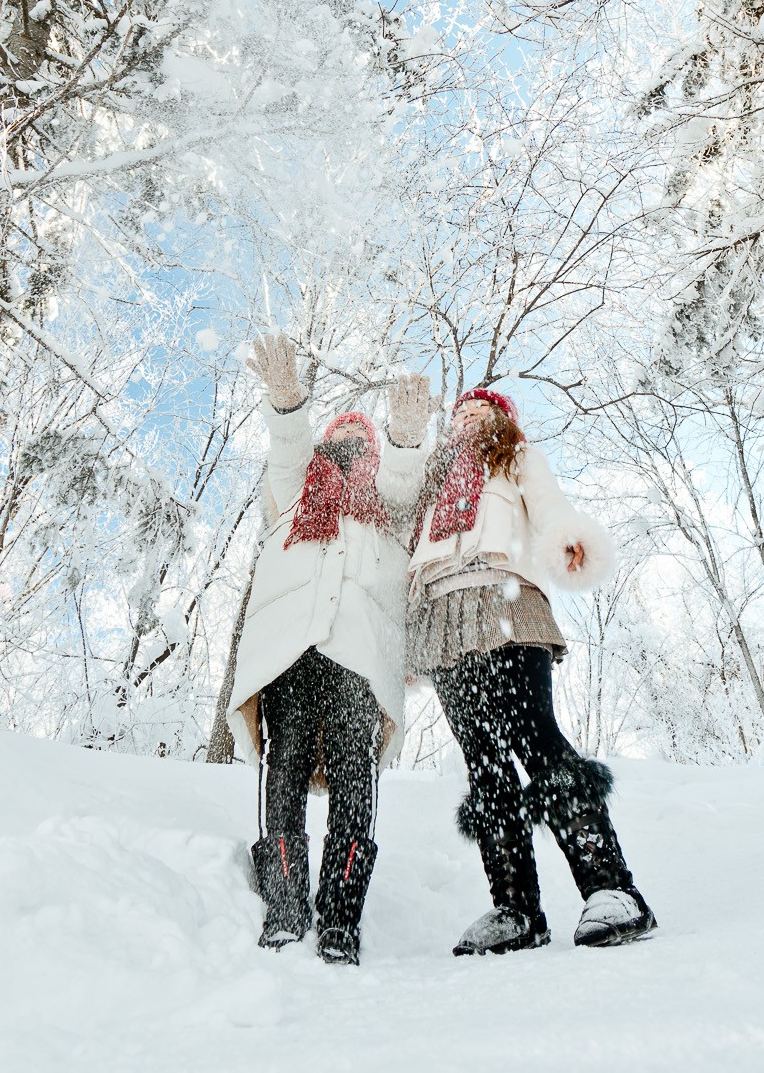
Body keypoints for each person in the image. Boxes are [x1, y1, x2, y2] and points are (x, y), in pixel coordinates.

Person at [407, 385, 653, 955]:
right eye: (460, 412)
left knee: (536, 740)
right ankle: (517, 909)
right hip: (445, 621)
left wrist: (568, 539)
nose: (466, 418)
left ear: (500, 418)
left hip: (507, 603)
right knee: (484, 767)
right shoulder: (435, 482)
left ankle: (612, 889)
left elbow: (548, 507)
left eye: (479, 410)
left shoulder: (512, 455)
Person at [227, 334, 432, 965]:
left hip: (359, 660)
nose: (346, 446)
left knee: (354, 781)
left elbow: (402, 481)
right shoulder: (293, 492)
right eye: (337, 438)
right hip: (290, 653)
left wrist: (402, 437)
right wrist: (287, 404)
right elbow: (287, 450)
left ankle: (341, 919)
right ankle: (287, 906)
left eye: (358, 439)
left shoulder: (388, 511)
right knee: (282, 775)